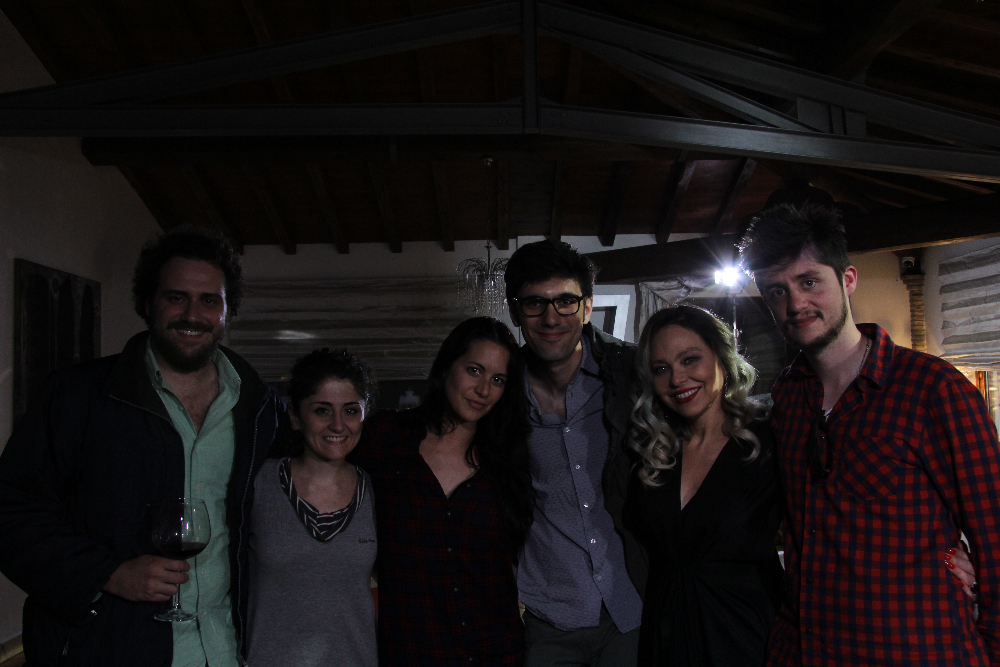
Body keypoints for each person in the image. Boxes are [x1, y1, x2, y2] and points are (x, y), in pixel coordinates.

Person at [0, 227, 289, 666]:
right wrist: (107, 573)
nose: (192, 315)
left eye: (209, 301)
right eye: (176, 297)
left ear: (227, 310)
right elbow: (9, 512)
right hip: (107, 649)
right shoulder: (77, 397)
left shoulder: (260, 407)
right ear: (149, 303)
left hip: (226, 650)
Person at [738, 203, 1000, 666]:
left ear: (848, 279)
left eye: (809, 282)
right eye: (777, 291)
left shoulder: (935, 390)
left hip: (918, 651)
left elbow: (993, 533)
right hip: (804, 649)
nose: (795, 304)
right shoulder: (787, 398)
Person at [350, 316, 534, 667]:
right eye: (474, 370)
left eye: (498, 380)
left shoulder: (509, 459)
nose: (484, 390)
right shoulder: (387, 437)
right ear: (447, 365)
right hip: (412, 651)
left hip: (494, 652)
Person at [504, 240, 644, 667]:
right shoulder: (500, 394)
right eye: (535, 303)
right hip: (549, 618)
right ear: (515, 312)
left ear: (587, 307)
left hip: (632, 609)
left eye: (566, 301)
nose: (551, 318)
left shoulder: (632, 374)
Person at [624, 304, 782, 667]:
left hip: (746, 636)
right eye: (661, 369)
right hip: (665, 635)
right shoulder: (654, 453)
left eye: (690, 359)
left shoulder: (768, 439)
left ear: (722, 359)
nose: (677, 379)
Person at [245, 348, 378, 666]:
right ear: (295, 416)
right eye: (322, 411)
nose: (338, 425)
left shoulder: (377, 490)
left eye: (350, 411)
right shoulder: (258, 482)